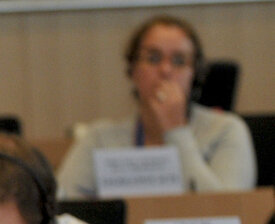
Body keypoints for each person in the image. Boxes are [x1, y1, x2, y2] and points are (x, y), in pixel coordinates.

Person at [56, 14, 257, 200]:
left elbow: (229, 211)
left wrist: (176, 131)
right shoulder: (100, 138)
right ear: (133, 70)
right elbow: (60, 206)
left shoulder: (226, 130)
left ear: (193, 73)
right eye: (153, 58)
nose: (165, 70)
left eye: (179, 61)